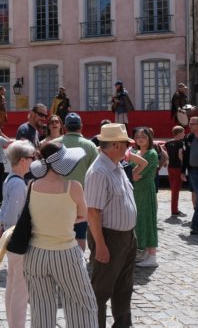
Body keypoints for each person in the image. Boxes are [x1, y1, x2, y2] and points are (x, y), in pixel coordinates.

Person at [25, 142, 97, 327]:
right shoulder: (73, 186)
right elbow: (82, 215)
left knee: (41, 307)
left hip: (35, 254)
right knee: (82, 304)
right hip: (65, 252)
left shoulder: (31, 185)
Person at [85, 123, 138, 328]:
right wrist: (101, 244)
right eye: (126, 144)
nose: (128, 148)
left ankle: (123, 325)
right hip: (109, 237)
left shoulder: (115, 166)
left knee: (124, 286)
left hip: (125, 236)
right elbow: (93, 212)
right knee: (101, 289)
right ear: (115, 145)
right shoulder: (99, 171)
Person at [0, 140, 34, 328]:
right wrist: (8, 230)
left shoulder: (11, 178)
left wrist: (2, 229)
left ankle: (12, 323)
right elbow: (11, 214)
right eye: (32, 158)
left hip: (11, 236)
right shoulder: (18, 183)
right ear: (23, 160)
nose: (33, 161)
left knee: (13, 283)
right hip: (17, 239)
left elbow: (6, 211)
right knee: (20, 289)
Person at [58, 112, 98, 251]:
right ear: (81, 127)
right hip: (82, 197)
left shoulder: (55, 144)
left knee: (61, 232)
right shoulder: (90, 146)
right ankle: (79, 261)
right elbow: (96, 174)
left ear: (64, 127)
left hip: (58, 196)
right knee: (81, 235)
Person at [130, 127, 160, 268]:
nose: (140, 138)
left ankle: (152, 256)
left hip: (146, 191)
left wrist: (133, 175)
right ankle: (146, 252)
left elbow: (137, 173)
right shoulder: (135, 152)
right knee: (139, 220)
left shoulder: (151, 153)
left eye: (143, 136)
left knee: (148, 221)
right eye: (138, 136)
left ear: (149, 138)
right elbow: (132, 173)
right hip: (136, 192)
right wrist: (133, 175)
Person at [164, 126, 187, 217]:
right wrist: (185, 165)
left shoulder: (168, 142)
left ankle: (174, 209)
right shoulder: (180, 143)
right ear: (178, 133)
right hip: (178, 168)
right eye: (183, 132)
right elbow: (180, 156)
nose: (184, 134)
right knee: (176, 190)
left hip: (170, 168)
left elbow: (164, 153)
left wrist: (166, 161)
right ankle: (174, 210)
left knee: (173, 189)